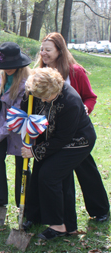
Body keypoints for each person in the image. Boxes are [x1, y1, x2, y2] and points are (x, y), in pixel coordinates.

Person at [35, 32, 109, 222]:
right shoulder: (39, 72)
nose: (43, 53)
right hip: (52, 134)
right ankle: (63, 219)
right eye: (42, 49)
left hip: (76, 131)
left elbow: (90, 97)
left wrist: (85, 108)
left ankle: (100, 209)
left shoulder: (75, 71)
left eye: (48, 50)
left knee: (86, 171)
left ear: (60, 51)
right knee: (60, 175)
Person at [22, 67, 97, 240]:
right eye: (40, 97)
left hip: (77, 142)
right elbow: (28, 107)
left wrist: (33, 151)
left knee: (50, 175)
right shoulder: (37, 88)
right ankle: (46, 219)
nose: (43, 100)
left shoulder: (71, 101)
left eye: (46, 98)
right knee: (47, 174)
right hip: (50, 139)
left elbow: (63, 138)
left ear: (56, 89)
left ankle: (59, 226)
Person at [0, 42, 31, 207]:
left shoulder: (26, 83)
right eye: (4, 65)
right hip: (3, 123)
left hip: (19, 127)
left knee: (21, 163)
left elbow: (16, 115)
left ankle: (23, 203)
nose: (7, 68)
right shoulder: (0, 74)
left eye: (11, 66)